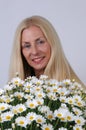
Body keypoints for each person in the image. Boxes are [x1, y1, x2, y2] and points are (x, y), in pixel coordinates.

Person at [9, 15, 85, 88]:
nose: (35, 52)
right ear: (20, 51)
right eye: (27, 46)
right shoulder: (12, 93)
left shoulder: (75, 92)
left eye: (40, 42)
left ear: (53, 43)